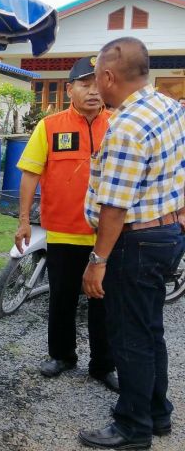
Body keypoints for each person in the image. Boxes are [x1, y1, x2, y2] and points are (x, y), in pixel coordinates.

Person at [79, 37, 185, 450]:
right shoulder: (168, 106)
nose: (94, 87)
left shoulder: (126, 126)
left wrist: (98, 260)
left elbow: (115, 206)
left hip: (134, 242)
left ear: (108, 76)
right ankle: (157, 412)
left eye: (96, 77)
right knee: (149, 328)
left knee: (130, 337)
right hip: (165, 235)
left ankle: (133, 427)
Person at [14, 56, 117, 391]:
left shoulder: (117, 126)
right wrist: (23, 221)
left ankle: (103, 365)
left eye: (97, 83)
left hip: (107, 235)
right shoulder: (50, 127)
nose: (92, 91)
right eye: (84, 84)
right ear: (69, 88)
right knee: (62, 299)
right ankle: (62, 355)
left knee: (105, 303)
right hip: (62, 232)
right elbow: (30, 174)